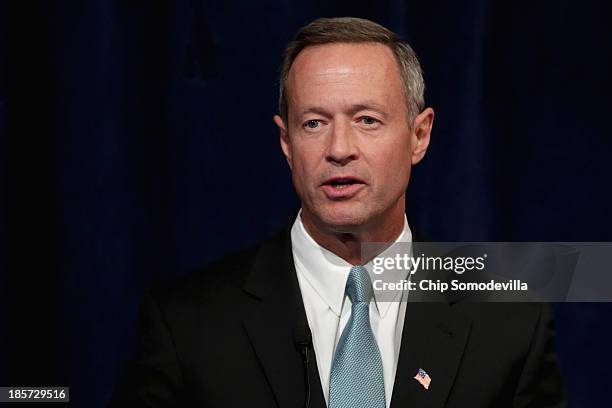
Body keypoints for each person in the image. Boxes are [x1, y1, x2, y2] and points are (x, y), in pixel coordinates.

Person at [110, 17, 565, 407]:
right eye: (313, 123)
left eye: (366, 120)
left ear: (419, 135)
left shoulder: (509, 319)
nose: (339, 149)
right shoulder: (187, 324)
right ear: (286, 142)